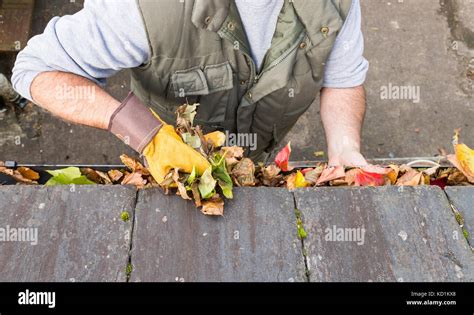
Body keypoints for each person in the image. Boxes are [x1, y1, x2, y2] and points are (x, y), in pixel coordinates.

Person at [12, 0, 369, 183]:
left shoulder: (333, 6)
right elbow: (37, 70)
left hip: (259, 152)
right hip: (168, 161)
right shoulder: (141, 9)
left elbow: (342, 79)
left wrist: (344, 148)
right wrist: (146, 136)